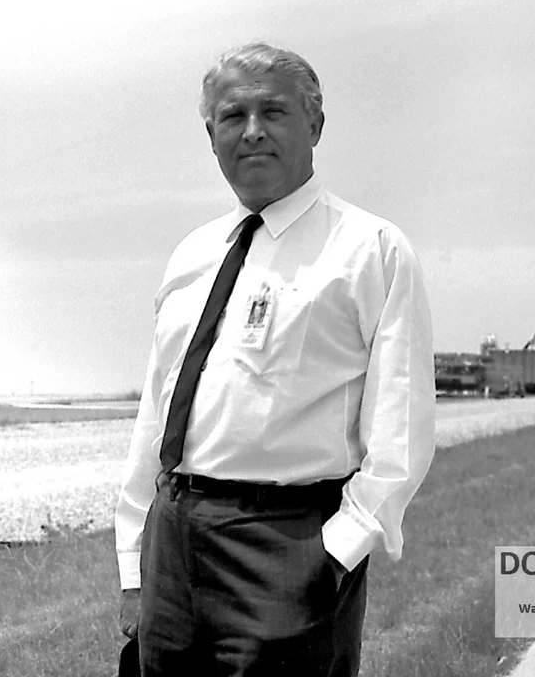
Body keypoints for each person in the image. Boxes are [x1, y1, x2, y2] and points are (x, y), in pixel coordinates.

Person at [115, 42, 436, 676]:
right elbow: (156, 416)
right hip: (174, 542)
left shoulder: (369, 250)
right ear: (211, 136)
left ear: (315, 125)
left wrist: (337, 552)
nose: (253, 131)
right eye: (233, 117)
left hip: (289, 544)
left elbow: (400, 432)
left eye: (275, 112)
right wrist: (135, 561)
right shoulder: (193, 256)